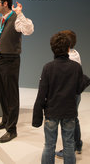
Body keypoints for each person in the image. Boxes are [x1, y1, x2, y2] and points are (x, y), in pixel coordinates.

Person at [0, 0, 34, 143]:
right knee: (1, 92)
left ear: (5, 4)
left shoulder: (16, 18)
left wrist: (20, 13)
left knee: (11, 94)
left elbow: (28, 30)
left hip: (11, 60)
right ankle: (5, 120)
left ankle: (12, 129)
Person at [32, 32, 84, 164]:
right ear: (68, 48)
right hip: (69, 112)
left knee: (49, 145)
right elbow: (79, 89)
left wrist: (37, 115)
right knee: (69, 145)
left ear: (52, 48)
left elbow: (41, 93)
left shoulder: (48, 68)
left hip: (52, 112)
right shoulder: (76, 67)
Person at [56, 30, 83, 158]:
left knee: (68, 122)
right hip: (76, 93)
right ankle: (78, 144)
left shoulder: (69, 58)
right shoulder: (75, 53)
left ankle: (69, 149)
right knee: (74, 118)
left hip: (70, 94)